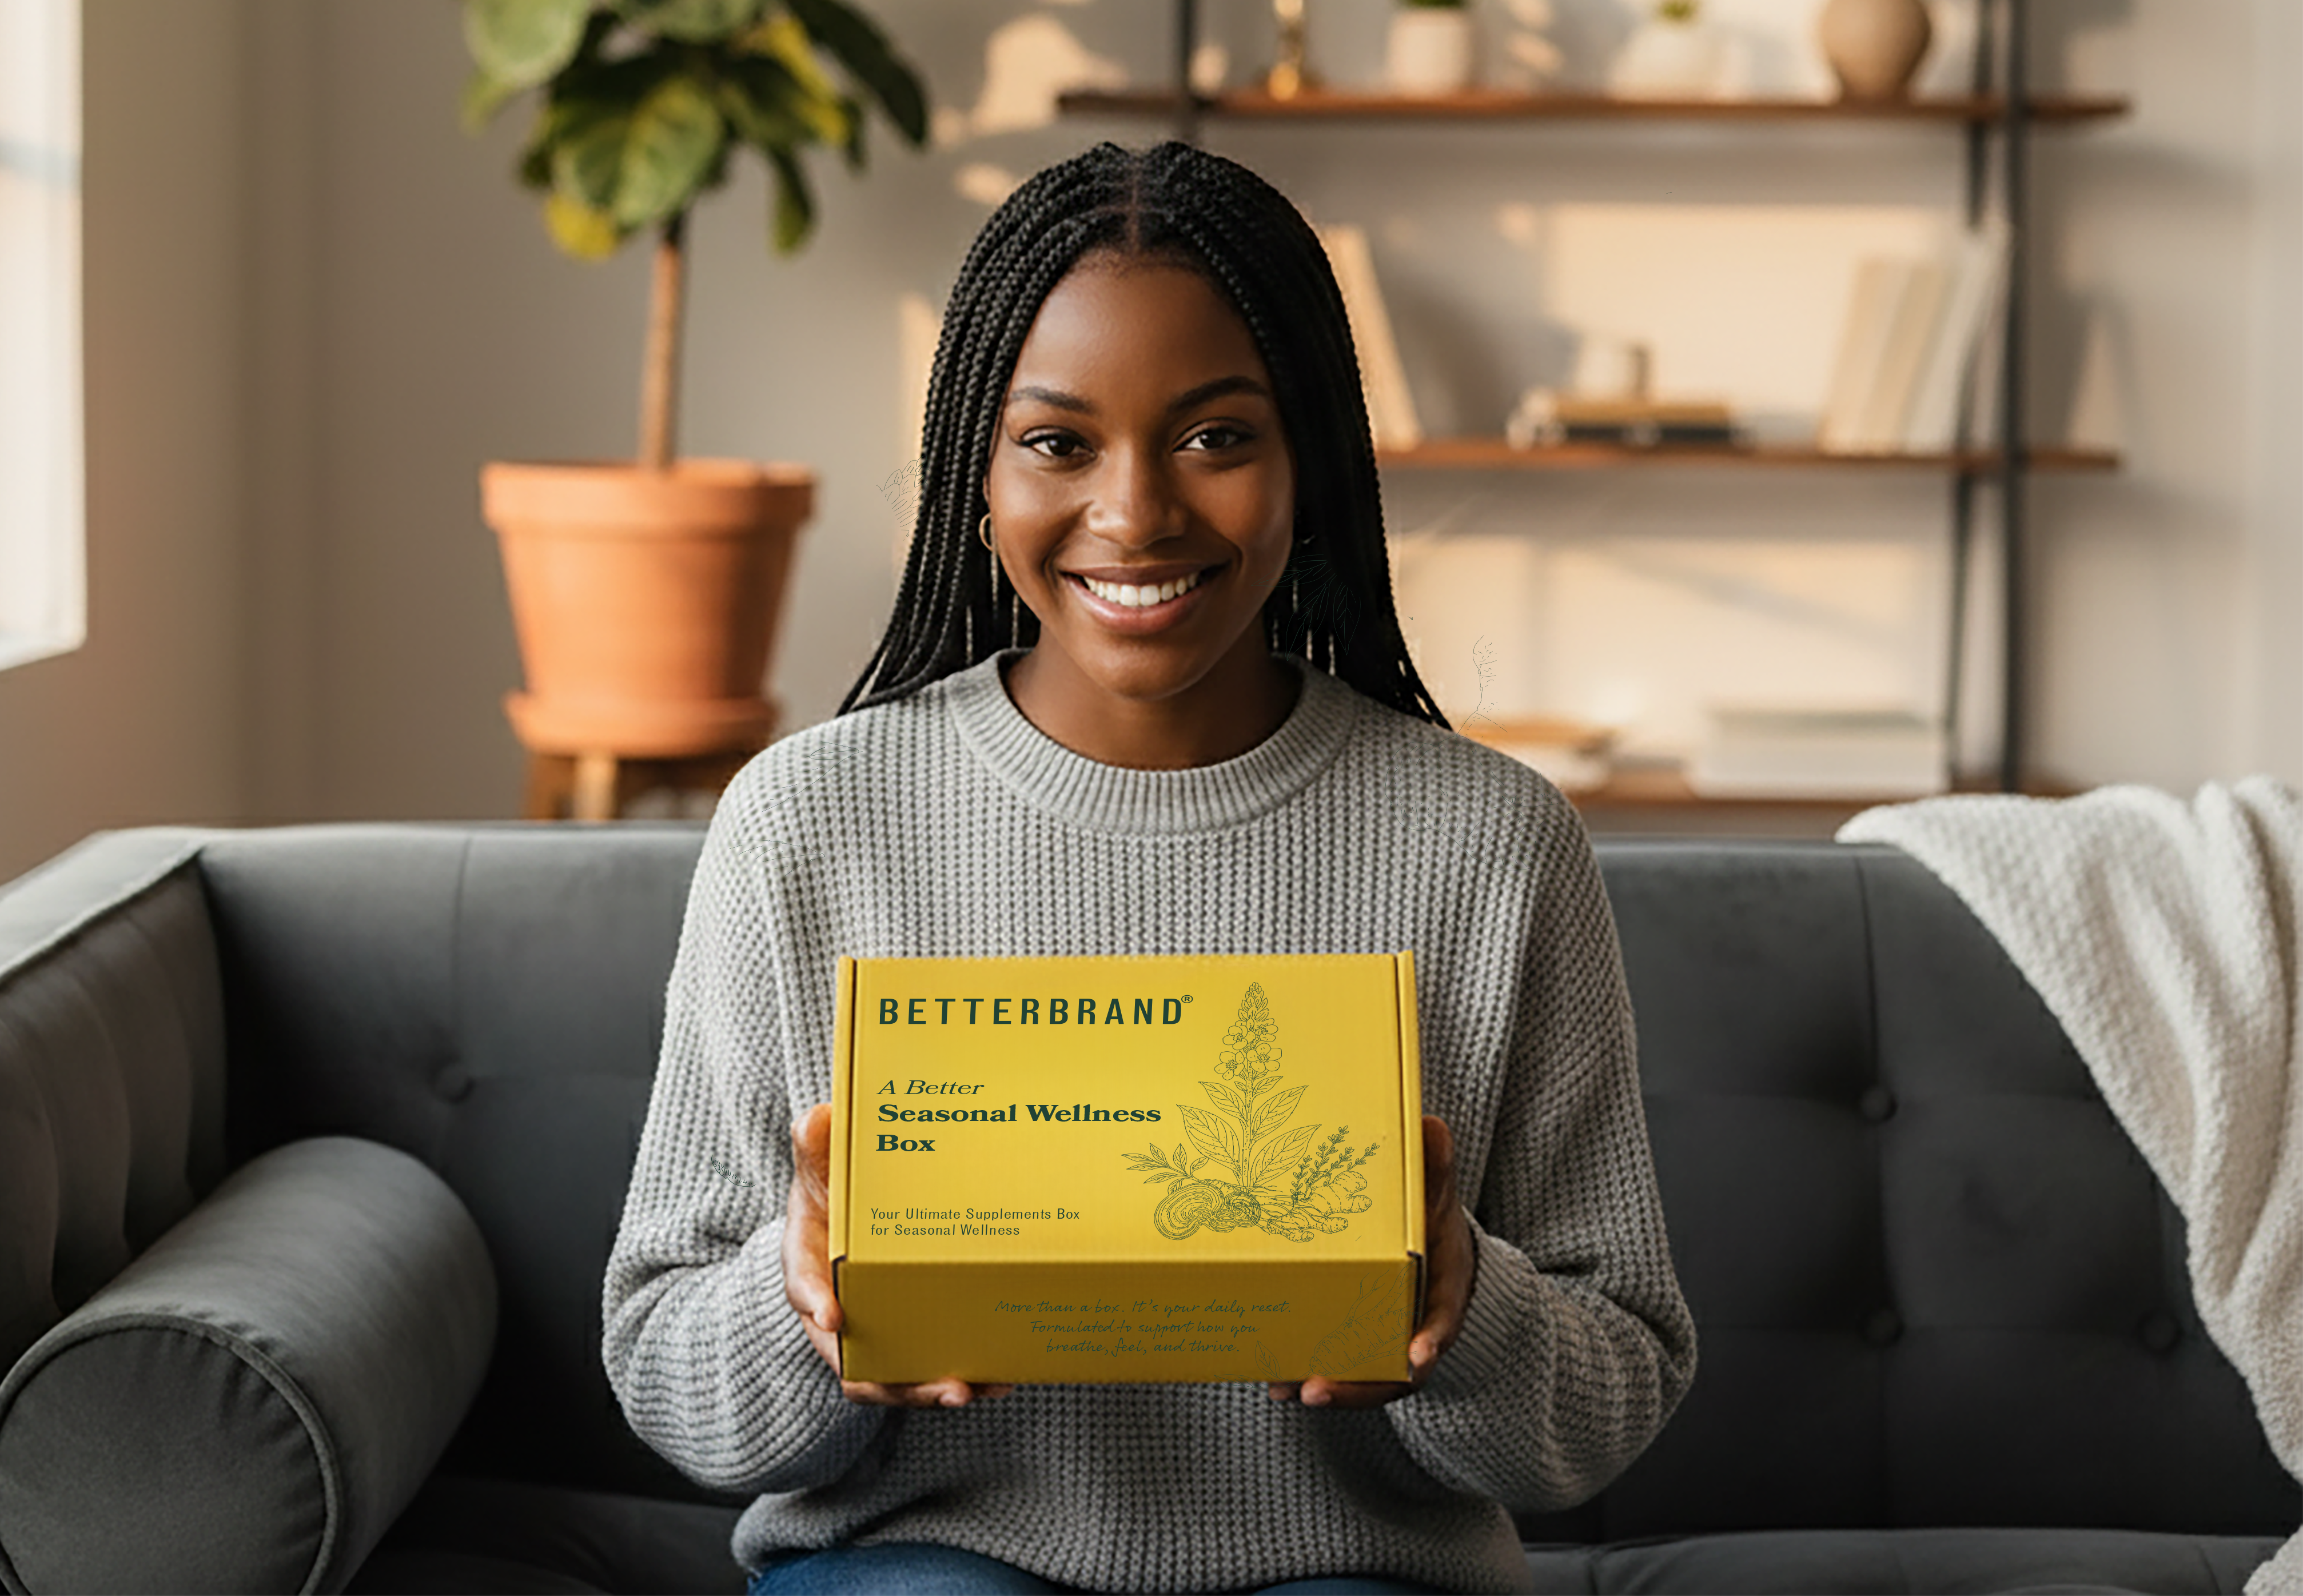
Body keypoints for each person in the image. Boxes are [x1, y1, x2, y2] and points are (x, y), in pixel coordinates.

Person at [601, 141, 1695, 1596]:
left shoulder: (1490, 843)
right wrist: (800, 1308)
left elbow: (1619, 1387)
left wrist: (1463, 1308)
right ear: (974, 476)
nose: (1136, 516)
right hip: (918, 1563)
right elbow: (663, 1364)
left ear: (1310, 457)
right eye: (1058, 443)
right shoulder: (808, 823)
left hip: (1358, 1576)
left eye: (1216, 437)